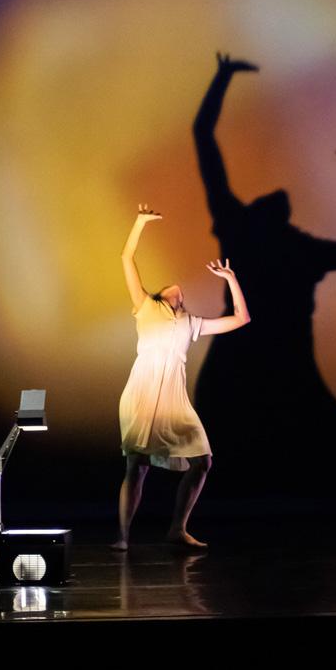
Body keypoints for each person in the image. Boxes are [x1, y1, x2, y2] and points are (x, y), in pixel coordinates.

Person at [192, 52, 336, 494]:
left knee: (278, 461)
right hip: (258, 367)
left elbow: (204, 135)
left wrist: (222, 77)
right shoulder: (291, 246)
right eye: (268, 201)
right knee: (258, 461)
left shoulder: (256, 235)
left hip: (260, 367)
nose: (275, 196)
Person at [111, 204, 251, 551]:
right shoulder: (146, 307)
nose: (179, 291)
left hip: (174, 399)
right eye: (172, 289)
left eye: (182, 293)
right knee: (137, 465)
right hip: (144, 392)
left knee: (203, 462)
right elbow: (126, 258)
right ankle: (123, 537)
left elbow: (241, 318)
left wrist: (231, 279)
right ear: (160, 295)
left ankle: (178, 528)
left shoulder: (191, 323)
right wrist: (140, 222)